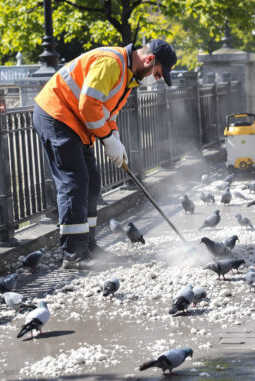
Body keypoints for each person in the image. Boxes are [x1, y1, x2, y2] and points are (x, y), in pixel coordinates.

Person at [32, 39, 177, 269]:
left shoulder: (128, 77)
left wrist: (115, 137)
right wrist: (107, 139)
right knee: (74, 181)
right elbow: (89, 104)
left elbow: (107, 113)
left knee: (92, 180)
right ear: (149, 60)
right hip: (57, 115)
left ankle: (88, 245)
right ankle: (74, 255)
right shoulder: (112, 63)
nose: (156, 80)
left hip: (77, 123)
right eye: (158, 74)